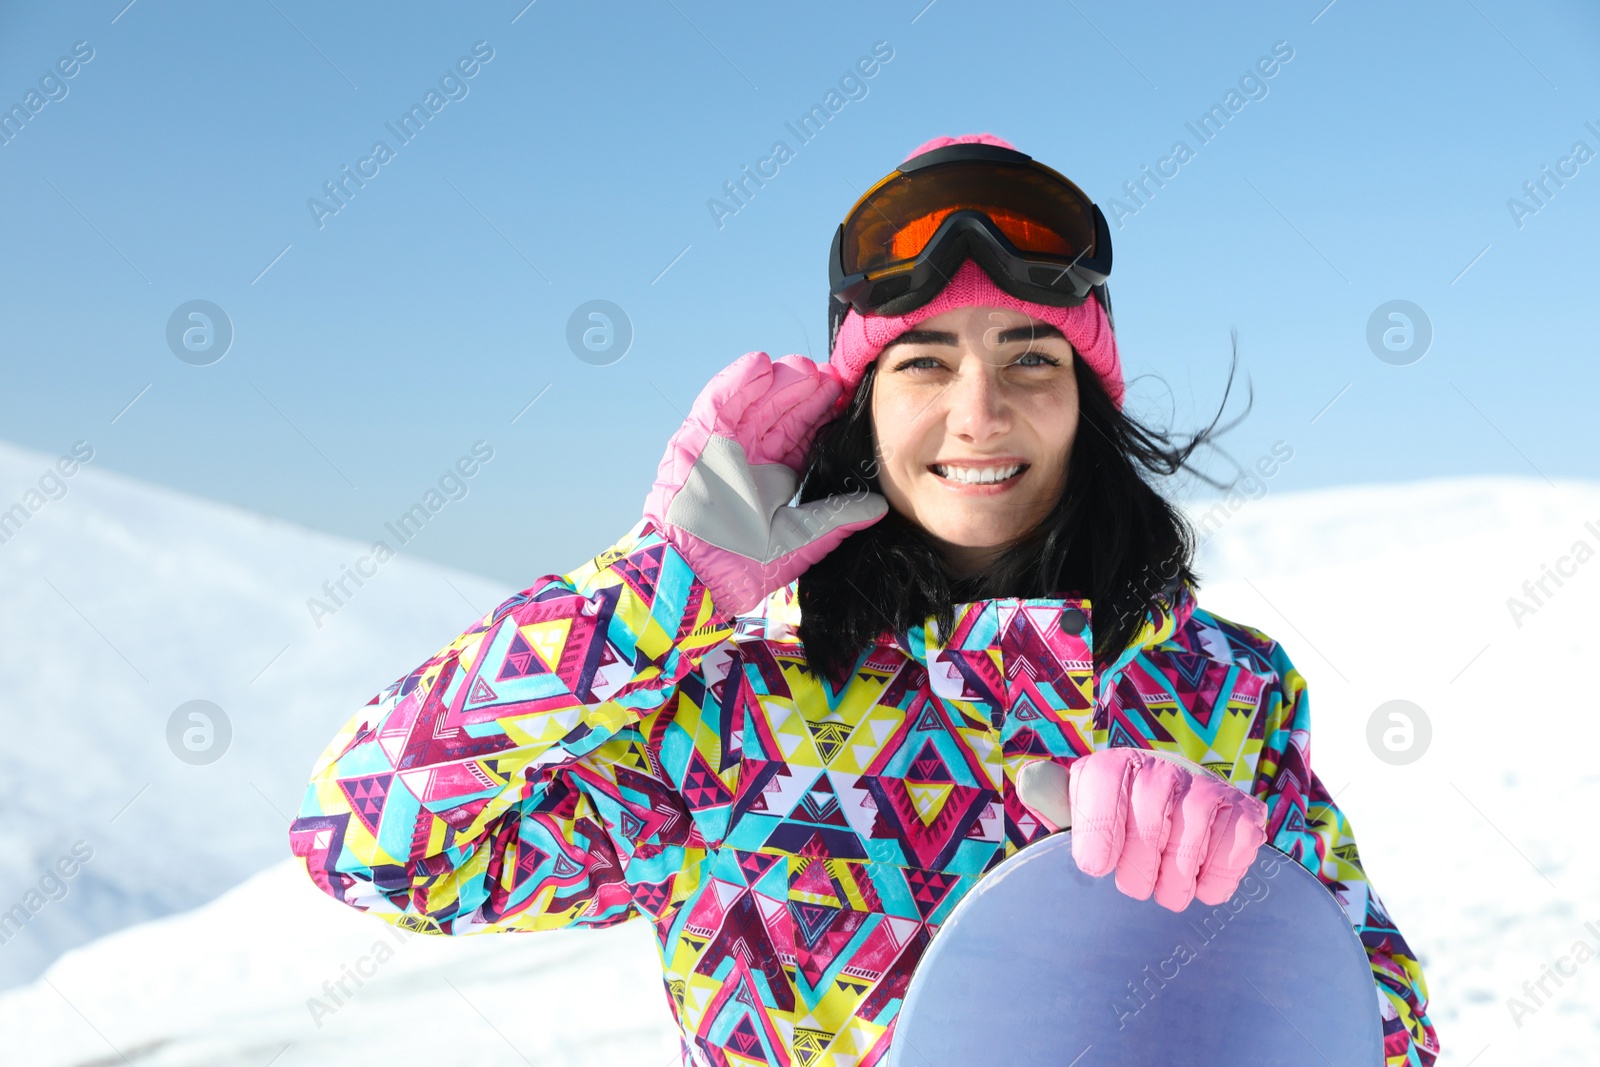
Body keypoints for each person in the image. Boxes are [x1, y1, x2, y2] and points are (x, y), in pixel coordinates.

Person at [289, 133, 1438, 1066]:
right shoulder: (725, 721)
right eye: (924, 361)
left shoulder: (1221, 689)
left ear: (1089, 400)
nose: (979, 411)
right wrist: (654, 589)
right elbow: (371, 839)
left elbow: (1387, 1030)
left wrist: (1251, 908)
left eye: (1032, 357)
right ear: (861, 407)